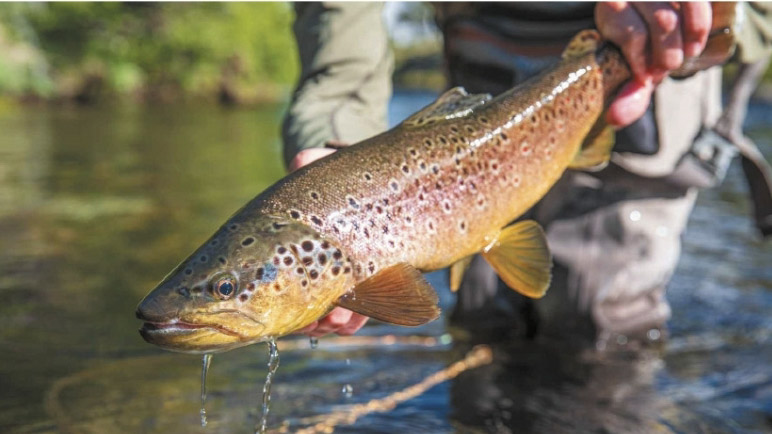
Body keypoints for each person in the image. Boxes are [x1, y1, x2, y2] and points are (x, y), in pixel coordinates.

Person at [282, 2, 772, 348]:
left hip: (644, 74)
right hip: (476, 77)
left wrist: (702, 19)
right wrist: (337, 132)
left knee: (600, 326)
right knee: (482, 322)